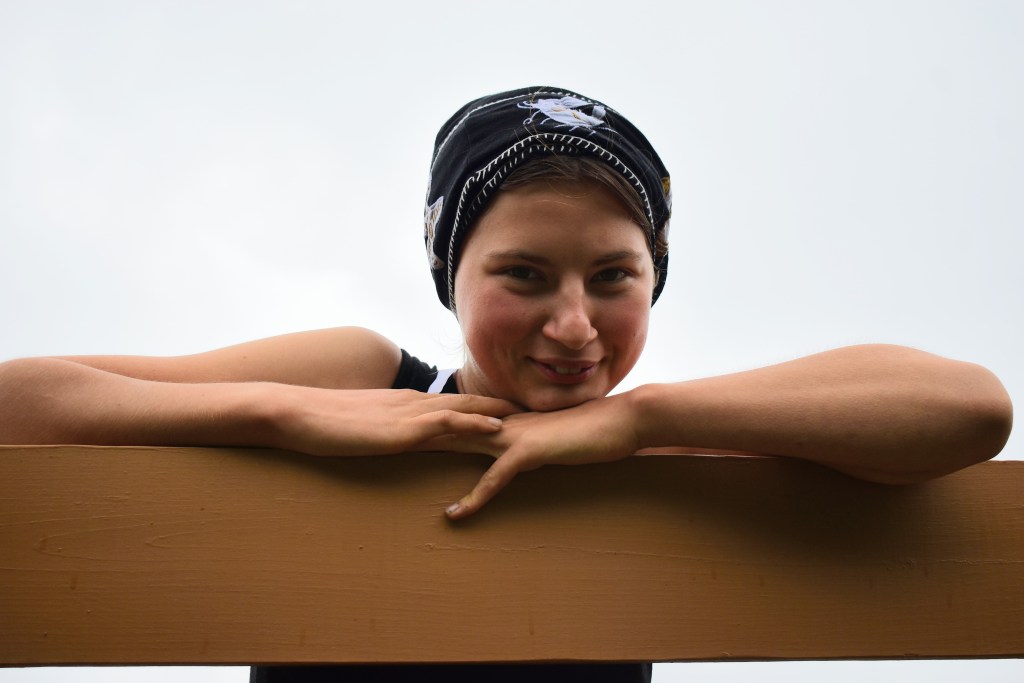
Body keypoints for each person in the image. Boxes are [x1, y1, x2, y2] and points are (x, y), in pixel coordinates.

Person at [0, 86, 1013, 682]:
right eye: (523, 275)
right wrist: (289, 411)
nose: (573, 325)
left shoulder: (664, 436)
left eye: (613, 277)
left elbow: (971, 408)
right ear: (451, 276)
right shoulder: (365, 374)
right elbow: (19, 401)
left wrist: (642, 420)